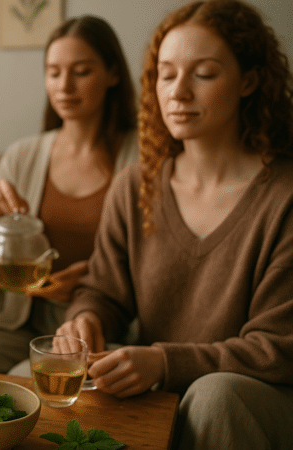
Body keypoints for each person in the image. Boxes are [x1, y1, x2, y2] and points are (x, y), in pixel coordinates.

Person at [50, 1, 293, 448]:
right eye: (166, 74)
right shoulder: (136, 183)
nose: (178, 93)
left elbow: (278, 348)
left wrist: (164, 363)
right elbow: (104, 289)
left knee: (215, 396)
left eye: (203, 74)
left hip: (257, 394)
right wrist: (86, 318)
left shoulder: (284, 198)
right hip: (156, 382)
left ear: (250, 81)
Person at [0, 16, 138, 373]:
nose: (64, 86)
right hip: (17, 322)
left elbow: (158, 262)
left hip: (100, 324)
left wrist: (94, 282)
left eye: (81, 71)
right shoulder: (24, 154)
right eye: (53, 72)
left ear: (113, 74)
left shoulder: (142, 157)